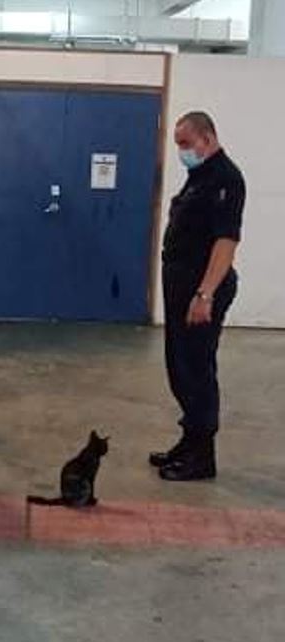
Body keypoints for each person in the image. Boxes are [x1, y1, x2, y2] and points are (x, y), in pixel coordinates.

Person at [149, 112, 245, 482]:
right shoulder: (200, 177)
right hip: (182, 290)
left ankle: (202, 458)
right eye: (178, 144)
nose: (181, 151)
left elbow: (225, 241)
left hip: (201, 292)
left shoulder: (226, 178)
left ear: (207, 138)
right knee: (179, 367)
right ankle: (189, 442)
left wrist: (205, 294)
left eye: (186, 144)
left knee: (197, 371)